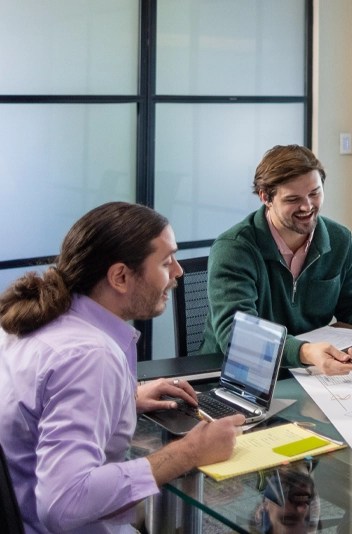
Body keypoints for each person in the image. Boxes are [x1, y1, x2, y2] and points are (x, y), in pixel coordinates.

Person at [0, 202, 244, 533]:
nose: (178, 272)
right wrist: (188, 452)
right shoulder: (89, 356)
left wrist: (122, 399)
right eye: (165, 261)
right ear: (120, 276)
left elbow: (34, 411)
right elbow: (64, 502)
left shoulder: (29, 321)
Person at [201, 144, 352, 375]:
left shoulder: (340, 239)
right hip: (234, 373)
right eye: (293, 199)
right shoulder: (235, 249)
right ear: (266, 197)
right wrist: (305, 352)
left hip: (308, 372)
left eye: (314, 193)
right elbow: (237, 335)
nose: (307, 206)